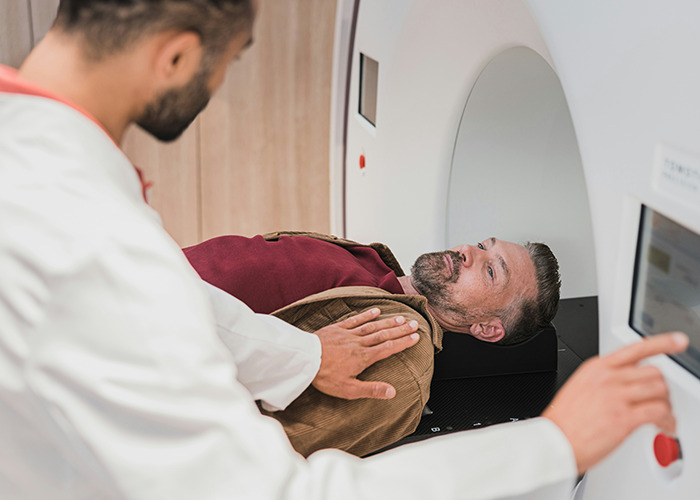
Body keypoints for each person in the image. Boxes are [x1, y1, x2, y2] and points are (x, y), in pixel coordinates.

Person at [0, 1, 688, 499]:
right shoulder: (94, 238)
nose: (216, 90)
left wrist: (300, 357)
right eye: (227, 64)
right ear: (174, 55)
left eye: (489, 265)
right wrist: (555, 443)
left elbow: (180, 303)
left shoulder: (47, 176)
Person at [182, 230, 560, 457]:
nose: (468, 251)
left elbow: (268, 446)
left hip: (161, 349)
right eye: (482, 245)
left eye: (491, 270)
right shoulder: (375, 262)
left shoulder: (399, 345)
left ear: (487, 328)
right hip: (159, 291)